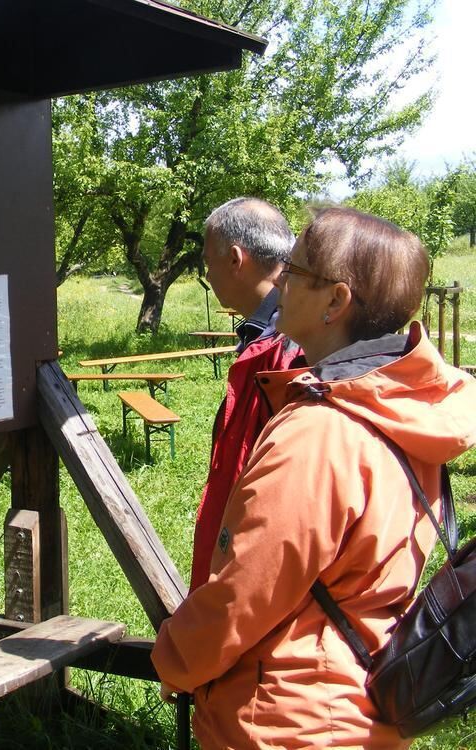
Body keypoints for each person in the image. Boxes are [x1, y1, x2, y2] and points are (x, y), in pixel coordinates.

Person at [152, 207, 476, 748]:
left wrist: (174, 657)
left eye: (295, 272)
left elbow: (245, 592)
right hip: (357, 703)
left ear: (336, 300)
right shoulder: (402, 408)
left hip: (283, 719)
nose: (279, 282)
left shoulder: (320, 432)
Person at [191, 197, 302, 591]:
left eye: (208, 261)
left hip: (263, 581)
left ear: (236, 259)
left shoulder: (291, 345)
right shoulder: (266, 331)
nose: (207, 273)